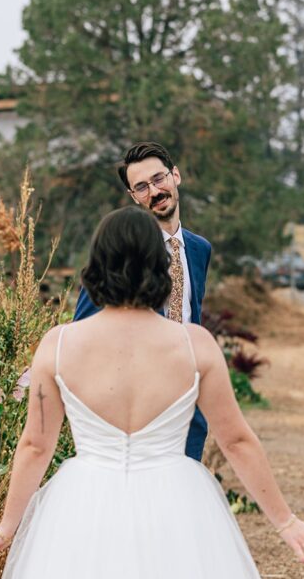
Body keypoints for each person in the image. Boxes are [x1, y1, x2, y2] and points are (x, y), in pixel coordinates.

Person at [0, 207, 304, 579]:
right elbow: (235, 441)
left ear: (97, 265)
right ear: (160, 265)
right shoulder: (195, 344)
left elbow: (35, 445)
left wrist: (6, 528)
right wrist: (285, 521)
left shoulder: (58, 345)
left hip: (83, 507)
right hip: (177, 503)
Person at [75, 141, 213, 460]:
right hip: (136, 411)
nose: (154, 191)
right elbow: (81, 332)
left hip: (190, 406)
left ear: (175, 176)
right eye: (141, 187)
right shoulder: (118, 254)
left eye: (158, 179)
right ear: (134, 197)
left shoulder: (199, 249)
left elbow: (194, 316)